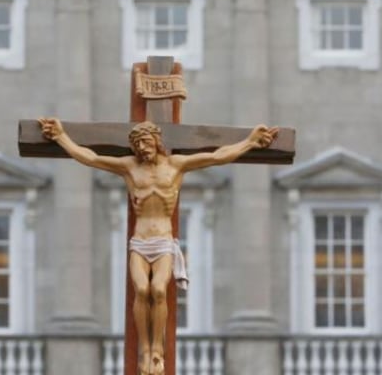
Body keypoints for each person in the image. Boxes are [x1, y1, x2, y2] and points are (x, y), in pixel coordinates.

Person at [38, 118, 278, 375]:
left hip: (163, 242)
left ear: (157, 141)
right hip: (140, 242)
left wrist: (250, 141)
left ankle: (157, 350)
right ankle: (145, 350)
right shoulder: (129, 167)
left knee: (159, 291)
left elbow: (217, 156)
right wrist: (61, 137)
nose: (142, 147)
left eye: (146, 141)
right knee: (142, 290)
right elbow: (91, 158)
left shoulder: (176, 166)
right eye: (137, 143)